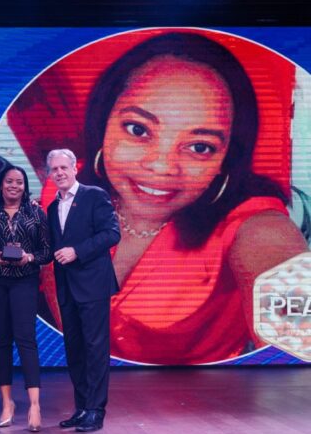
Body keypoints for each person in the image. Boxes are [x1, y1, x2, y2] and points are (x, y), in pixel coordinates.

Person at [78, 32, 308, 364]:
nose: (162, 166)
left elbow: (295, 319)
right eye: (138, 130)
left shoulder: (252, 227)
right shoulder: (67, 191)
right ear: (103, 123)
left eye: (200, 147)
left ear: (225, 159)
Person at [47, 148, 121, 432]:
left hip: (92, 286)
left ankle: (95, 410)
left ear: (74, 168)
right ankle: (81, 408)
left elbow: (111, 234)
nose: (60, 173)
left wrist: (77, 251)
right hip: (66, 288)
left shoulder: (94, 195)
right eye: (54, 169)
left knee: (95, 348)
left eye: (63, 168)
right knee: (75, 349)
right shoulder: (52, 208)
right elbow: (52, 247)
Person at [0, 165, 52, 432]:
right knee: (2, 340)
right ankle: (7, 403)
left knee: (26, 339)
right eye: (9, 181)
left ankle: (34, 405)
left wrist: (28, 257)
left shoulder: (36, 213)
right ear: (1, 184)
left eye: (19, 182)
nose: (14, 186)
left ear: (25, 186)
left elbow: (46, 252)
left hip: (24, 281)